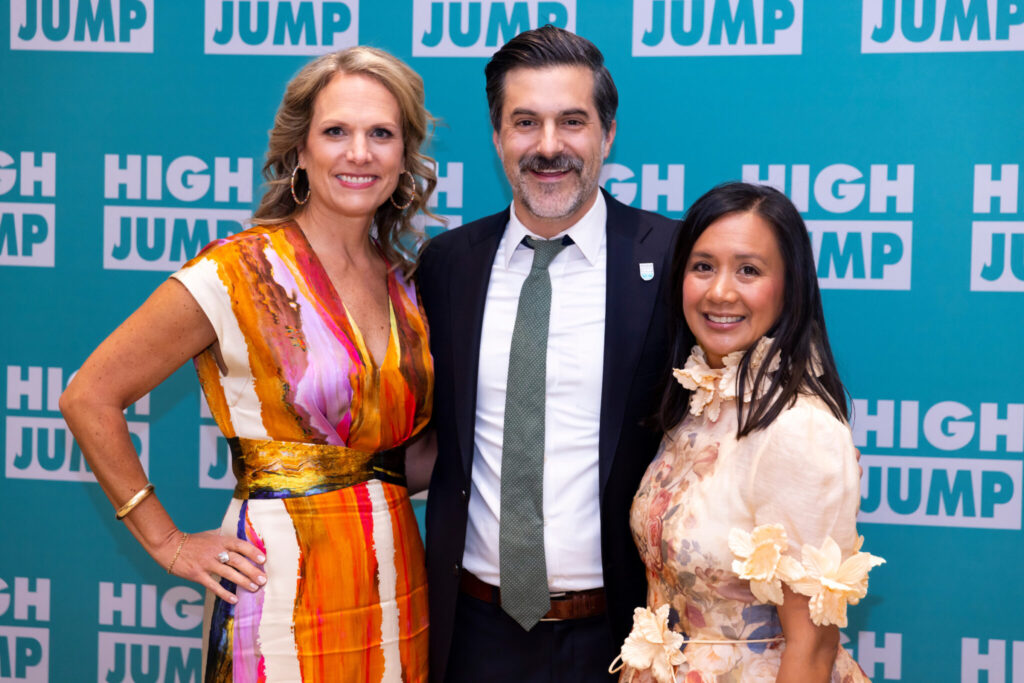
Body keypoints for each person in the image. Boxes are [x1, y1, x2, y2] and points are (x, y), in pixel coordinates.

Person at [60, 46, 438, 682]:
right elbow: (88, 395)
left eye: (381, 134)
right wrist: (167, 541)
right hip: (279, 591)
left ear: (404, 156)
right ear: (300, 150)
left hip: (399, 584)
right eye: (336, 132)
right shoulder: (239, 271)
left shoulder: (405, 282)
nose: (359, 153)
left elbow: (408, 457)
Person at [416, 26, 678, 682]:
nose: (549, 146)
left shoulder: (675, 261)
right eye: (526, 122)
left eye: (572, 121)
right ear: (498, 136)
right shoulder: (447, 266)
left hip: (624, 636)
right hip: (471, 633)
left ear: (607, 134)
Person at [614, 182, 882, 682]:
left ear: (790, 287)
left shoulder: (799, 429)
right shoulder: (700, 402)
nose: (720, 291)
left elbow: (813, 647)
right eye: (703, 266)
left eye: (749, 270)